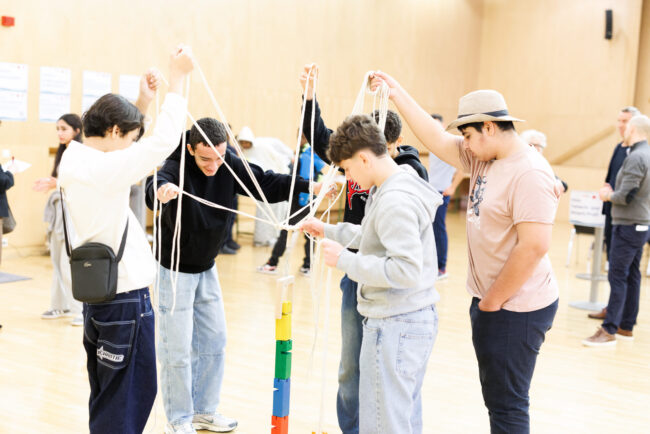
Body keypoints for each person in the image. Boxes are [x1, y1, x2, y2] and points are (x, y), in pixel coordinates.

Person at [372, 71, 560, 433]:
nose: (465, 145)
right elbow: (435, 137)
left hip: (516, 307)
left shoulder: (530, 172)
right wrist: (396, 92)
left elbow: (534, 246)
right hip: (493, 302)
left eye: (469, 136)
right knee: (498, 400)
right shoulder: (482, 157)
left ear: (489, 127)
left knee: (507, 405)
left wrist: (491, 303)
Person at [145, 117, 323, 434]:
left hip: (206, 266)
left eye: (219, 156)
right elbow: (155, 183)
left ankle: (203, 411)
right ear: (191, 149)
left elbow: (264, 182)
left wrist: (310, 186)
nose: (214, 165)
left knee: (214, 341)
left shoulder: (226, 162)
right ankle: (179, 418)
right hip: (174, 271)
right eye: (206, 158)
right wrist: (161, 192)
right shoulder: (176, 164)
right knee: (177, 349)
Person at [57, 46, 194, 434]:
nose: (133, 144)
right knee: (127, 396)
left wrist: (142, 103)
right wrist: (178, 79)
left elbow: (126, 150)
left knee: (109, 393)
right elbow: (162, 143)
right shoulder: (105, 169)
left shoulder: (75, 159)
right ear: (115, 131)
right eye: (130, 135)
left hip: (99, 298)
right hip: (124, 301)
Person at [299, 64, 429, 434]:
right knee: (357, 374)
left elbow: (405, 268)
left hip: (393, 299)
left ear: (371, 154)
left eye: (347, 169)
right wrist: (330, 230)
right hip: (364, 279)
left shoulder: (399, 187)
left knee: (389, 398)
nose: (347, 177)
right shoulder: (374, 179)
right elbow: (368, 233)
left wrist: (344, 257)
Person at [583, 114, 650, 346]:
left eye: (626, 126)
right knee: (632, 275)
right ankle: (626, 326)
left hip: (628, 225)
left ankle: (609, 329)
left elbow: (625, 196)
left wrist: (607, 195)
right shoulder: (645, 154)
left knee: (618, 276)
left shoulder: (637, 157)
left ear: (633, 129)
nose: (623, 130)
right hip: (639, 224)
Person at [588, 106, 641, 320]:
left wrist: (611, 195)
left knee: (626, 272)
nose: (620, 125)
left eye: (625, 121)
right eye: (619, 120)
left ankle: (621, 317)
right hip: (613, 214)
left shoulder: (639, 154)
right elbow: (609, 178)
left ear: (635, 125)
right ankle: (615, 310)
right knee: (616, 267)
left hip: (629, 218)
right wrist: (605, 192)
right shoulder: (620, 147)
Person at [34, 113, 84, 325]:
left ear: (77, 130)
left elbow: (81, 181)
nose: (59, 133)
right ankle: (60, 305)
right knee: (56, 260)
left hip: (72, 212)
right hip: (59, 209)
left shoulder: (81, 153)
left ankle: (80, 309)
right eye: (57, 129)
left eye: (64, 129)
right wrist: (52, 183)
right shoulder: (63, 152)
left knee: (67, 262)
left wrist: (57, 182)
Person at [257, 132, 327, 276]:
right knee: (310, 232)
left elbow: (306, 179)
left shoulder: (307, 155)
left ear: (307, 138)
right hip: (309, 199)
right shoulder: (310, 153)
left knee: (286, 230)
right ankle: (308, 265)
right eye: (298, 136)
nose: (299, 139)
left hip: (302, 200)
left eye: (302, 137)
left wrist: (302, 199)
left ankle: (273, 263)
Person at [238, 126, 293, 246]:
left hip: (275, 181)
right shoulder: (244, 152)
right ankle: (261, 239)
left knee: (277, 213)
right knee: (263, 213)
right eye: (243, 142)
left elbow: (279, 159)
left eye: (247, 142)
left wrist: (282, 176)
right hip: (262, 186)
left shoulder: (262, 146)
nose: (245, 145)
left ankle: (273, 238)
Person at [429, 113, 465, 280]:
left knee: (439, 228)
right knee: (430, 229)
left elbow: (462, 169)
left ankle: (441, 268)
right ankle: (432, 265)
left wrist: (452, 187)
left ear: (443, 126)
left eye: (437, 124)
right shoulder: (432, 143)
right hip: (431, 190)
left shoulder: (448, 144)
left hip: (442, 192)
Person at [520, 129, 569, 194]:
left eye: (541, 146)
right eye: (535, 145)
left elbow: (564, 185)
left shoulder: (541, 164)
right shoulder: (521, 163)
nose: (539, 149)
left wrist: (558, 184)